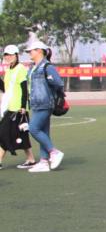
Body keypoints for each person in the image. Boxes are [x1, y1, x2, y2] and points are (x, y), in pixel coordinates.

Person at [24, 36, 64, 173]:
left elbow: (58, 83)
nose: (29, 53)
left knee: (33, 129)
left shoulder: (47, 66)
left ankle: (54, 152)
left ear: (39, 51)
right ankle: (44, 162)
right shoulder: (32, 68)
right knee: (44, 132)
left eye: (31, 51)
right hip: (35, 104)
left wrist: (50, 93)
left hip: (45, 103)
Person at [0, 45, 37, 169]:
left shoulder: (20, 69)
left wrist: (23, 107)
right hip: (10, 107)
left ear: (16, 55)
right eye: (6, 55)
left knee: (6, 133)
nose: (8, 57)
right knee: (14, 134)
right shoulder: (9, 70)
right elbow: (5, 88)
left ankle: (31, 159)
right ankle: (31, 159)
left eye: (11, 55)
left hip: (18, 109)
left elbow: (24, 89)